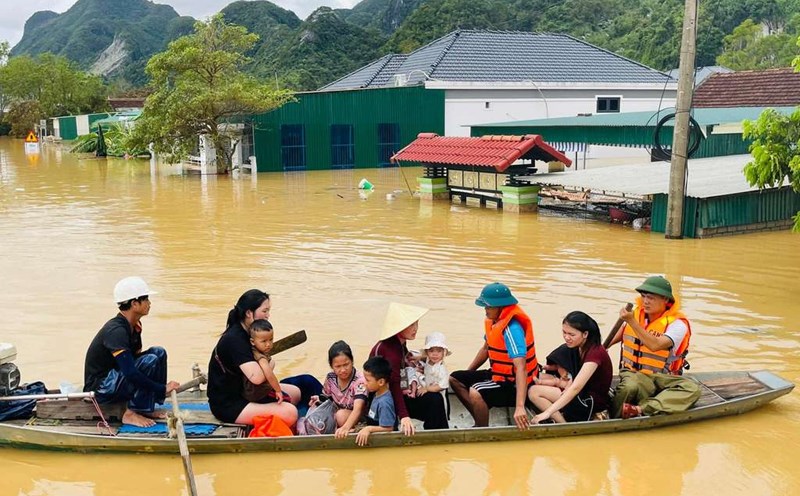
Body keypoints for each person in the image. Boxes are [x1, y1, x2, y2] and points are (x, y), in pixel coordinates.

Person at [83, 276, 180, 427]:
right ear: (134, 304)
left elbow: (134, 360)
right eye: (146, 299)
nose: (149, 303)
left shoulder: (135, 325)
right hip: (101, 386)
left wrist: (157, 389)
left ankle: (145, 407)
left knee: (158, 353)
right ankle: (130, 412)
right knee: (149, 361)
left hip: (117, 375)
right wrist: (161, 388)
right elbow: (130, 373)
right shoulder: (116, 331)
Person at [606, 276, 700, 419]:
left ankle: (639, 409)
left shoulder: (677, 324)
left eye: (651, 298)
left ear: (666, 300)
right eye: (643, 297)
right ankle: (613, 417)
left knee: (692, 389)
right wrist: (599, 349)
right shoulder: (635, 314)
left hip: (661, 377)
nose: (645, 301)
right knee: (629, 387)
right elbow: (617, 336)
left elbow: (655, 345)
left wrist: (631, 321)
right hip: (631, 372)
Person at [207, 289, 302, 426]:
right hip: (229, 403)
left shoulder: (250, 332)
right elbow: (257, 378)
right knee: (291, 413)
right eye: (264, 311)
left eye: (269, 311)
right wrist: (271, 363)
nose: (268, 315)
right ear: (249, 313)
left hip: (247, 391)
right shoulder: (235, 339)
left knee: (296, 393)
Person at [450, 282, 538, 430]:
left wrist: (520, 407)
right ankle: (481, 418)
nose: (485, 310)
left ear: (501, 307)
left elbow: (521, 368)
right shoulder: (495, 321)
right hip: (498, 374)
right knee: (455, 379)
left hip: (513, 383)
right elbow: (486, 349)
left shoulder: (512, 329)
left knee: (476, 392)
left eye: (489, 306)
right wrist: (469, 373)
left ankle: (482, 429)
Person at [369, 302, 449, 436]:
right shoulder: (391, 351)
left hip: (399, 390)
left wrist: (420, 362)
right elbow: (394, 385)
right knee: (434, 400)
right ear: (399, 327)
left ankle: (437, 432)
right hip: (385, 399)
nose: (415, 328)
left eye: (416, 324)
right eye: (411, 325)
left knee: (436, 397)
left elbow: (405, 363)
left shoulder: (399, 343)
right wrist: (404, 416)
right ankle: (438, 436)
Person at [529, 311, 613, 423]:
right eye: (564, 332)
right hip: (578, 391)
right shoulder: (578, 346)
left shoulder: (595, 353)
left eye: (571, 335)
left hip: (587, 400)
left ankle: (562, 423)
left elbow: (576, 388)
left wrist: (547, 413)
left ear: (585, 334)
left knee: (534, 392)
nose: (566, 337)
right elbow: (563, 361)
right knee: (536, 377)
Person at [309, 340, 368, 439]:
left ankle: (355, 429)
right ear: (332, 366)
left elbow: (358, 409)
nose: (343, 370)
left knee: (340, 416)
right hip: (337, 413)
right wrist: (317, 401)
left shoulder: (359, 380)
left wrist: (345, 428)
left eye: (346, 364)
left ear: (352, 361)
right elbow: (327, 400)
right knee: (315, 410)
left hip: (358, 417)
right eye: (338, 366)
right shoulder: (330, 378)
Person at [241, 319, 284, 404]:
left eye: (271, 339)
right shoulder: (260, 357)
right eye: (264, 341)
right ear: (252, 342)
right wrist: (278, 390)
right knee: (288, 399)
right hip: (259, 394)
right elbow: (268, 373)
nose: (268, 344)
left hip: (250, 392)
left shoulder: (254, 349)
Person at [356, 356, 396, 446]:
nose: (364, 383)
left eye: (367, 380)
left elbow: (388, 428)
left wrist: (369, 429)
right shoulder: (376, 393)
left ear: (381, 382)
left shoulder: (384, 403)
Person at [416, 332, 452, 404]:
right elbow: (424, 358)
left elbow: (442, 386)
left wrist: (427, 389)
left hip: (439, 396)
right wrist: (415, 358)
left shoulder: (442, 369)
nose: (435, 354)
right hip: (428, 390)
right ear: (427, 352)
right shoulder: (429, 360)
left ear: (443, 353)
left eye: (439, 351)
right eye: (431, 351)